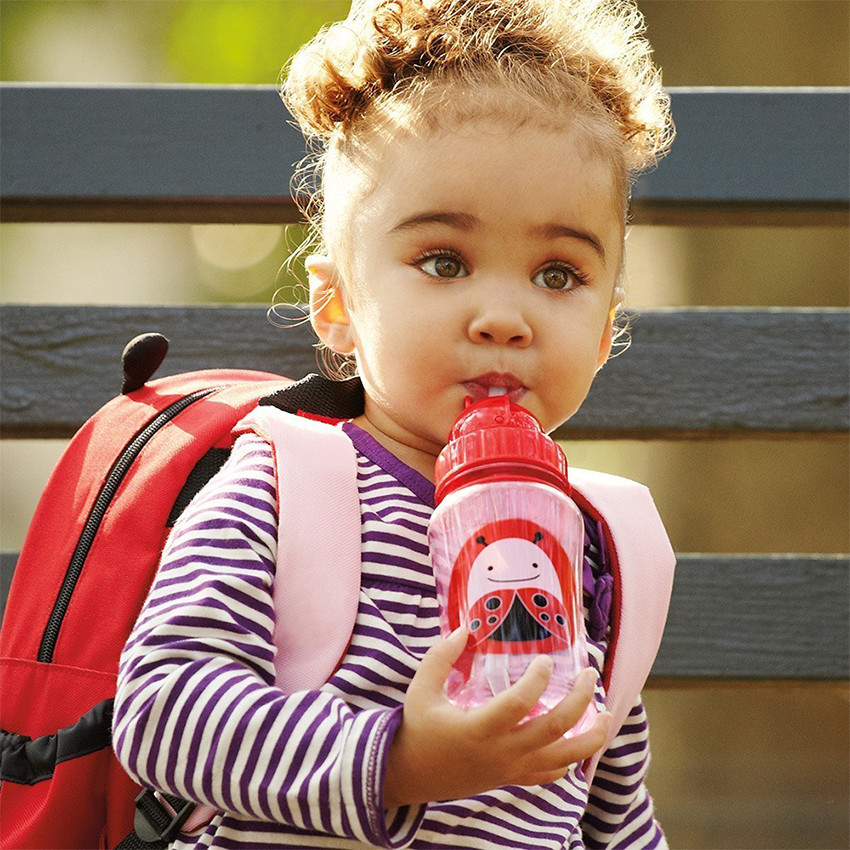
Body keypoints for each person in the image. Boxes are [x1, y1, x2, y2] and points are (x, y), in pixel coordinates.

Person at [113, 0, 675, 846]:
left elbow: (616, 820)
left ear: (605, 332)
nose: (503, 316)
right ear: (335, 302)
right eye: (443, 262)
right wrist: (399, 761)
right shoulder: (286, 488)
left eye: (558, 275)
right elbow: (163, 713)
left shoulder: (601, 549)